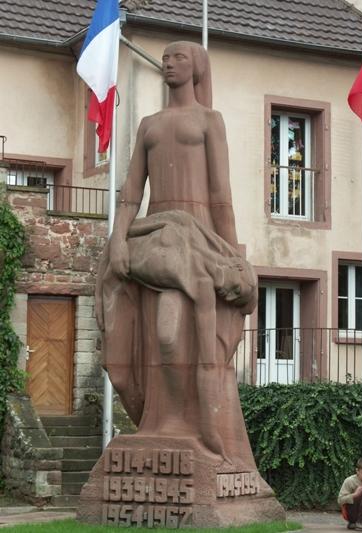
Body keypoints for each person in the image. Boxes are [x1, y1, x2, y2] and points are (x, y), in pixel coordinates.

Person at [96, 41, 258, 467]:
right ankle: (161, 424)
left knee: (172, 336)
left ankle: (191, 426)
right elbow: (131, 192)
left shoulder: (209, 120)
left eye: (178, 58)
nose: (169, 64)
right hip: (156, 240)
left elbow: (221, 196)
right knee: (149, 341)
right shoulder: (149, 124)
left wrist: (232, 255)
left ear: (197, 68)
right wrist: (118, 240)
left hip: (198, 240)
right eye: (165, 58)